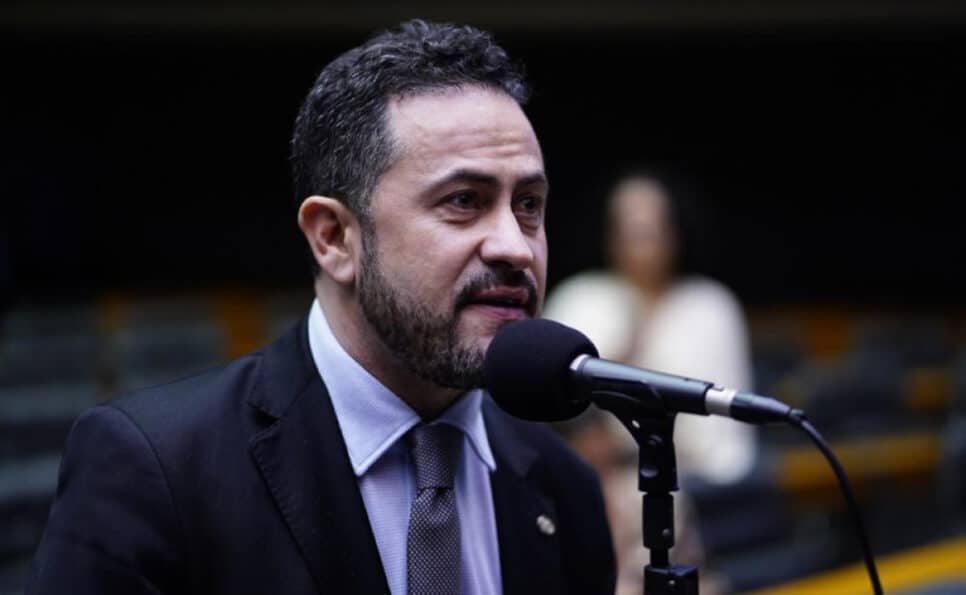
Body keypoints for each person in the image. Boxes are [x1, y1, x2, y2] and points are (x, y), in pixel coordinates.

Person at [27, 20, 615, 595]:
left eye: (529, 205)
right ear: (333, 237)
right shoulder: (156, 468)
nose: (516, 246)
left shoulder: (564, 488)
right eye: (464, 201)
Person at [544, 171, 756, 595]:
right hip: (590, 478)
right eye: (628, 227)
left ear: (675, 231)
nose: (640, 240)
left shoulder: (709, 305)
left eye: (652, 227)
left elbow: (725, 444)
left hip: (687, 484)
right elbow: (555, 410)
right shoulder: (581, 297)